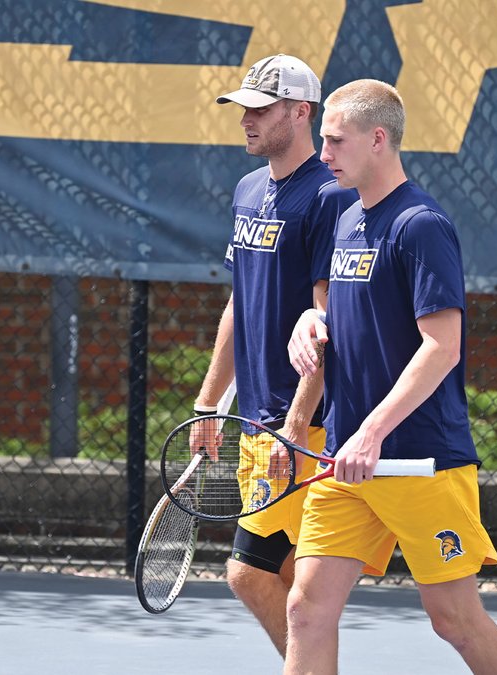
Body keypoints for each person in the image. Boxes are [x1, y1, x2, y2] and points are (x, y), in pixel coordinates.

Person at [284, 79, 497, 674]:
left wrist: (373, 432)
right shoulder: (344, 219)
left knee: (454, 619)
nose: (324, 155)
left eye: (336, 142)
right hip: (345, 463)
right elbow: (351, 315)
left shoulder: (420, 225)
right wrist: (311, 321)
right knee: (306, 610)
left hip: (419, 462)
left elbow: (441, 347)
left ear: (379, 140)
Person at [192, 54, 356, 656]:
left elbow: (327, 322)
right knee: (288, 585)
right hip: (258, 422)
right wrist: (210, 400)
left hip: (306, 427)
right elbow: (241, 303)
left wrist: (295, 426)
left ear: (300, 112)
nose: (247, 119)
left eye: (261, 109)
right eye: (244, 108)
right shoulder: (247, 190)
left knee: (250, 573)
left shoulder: (328, 198)